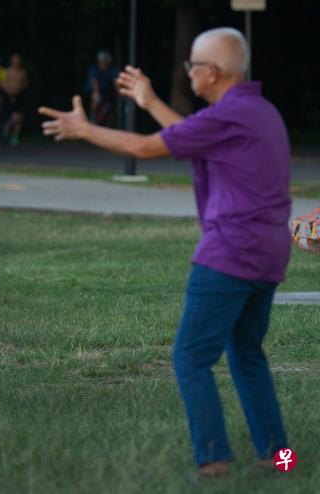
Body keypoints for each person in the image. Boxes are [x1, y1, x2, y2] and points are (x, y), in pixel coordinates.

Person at [39, 28, 290, 478]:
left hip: (230, 255)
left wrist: (83, 129)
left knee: (191, 357)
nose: (188, 71)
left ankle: (213, 462)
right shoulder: (259, 112)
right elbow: (188, 137)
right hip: (268, 257)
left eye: (191, 65)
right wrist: (150, 101)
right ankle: (282, 461)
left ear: (210, 72)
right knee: (248, 354)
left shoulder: (227, 116)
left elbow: (144, 147)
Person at [82, 51, 119, 127]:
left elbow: (116, 82)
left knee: (115, 101)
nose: (104, 63)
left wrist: (119, 92)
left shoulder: (112, 70)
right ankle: (92, 117)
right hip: (93, 91)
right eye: (102, 61)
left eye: (106, 61)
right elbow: (94, 82)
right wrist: (97, 93)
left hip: (106, 92)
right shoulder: (94, 69)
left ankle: (114, 123)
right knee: (96, 97)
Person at [0, 53, 29, 146]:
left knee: (20, 117)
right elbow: (2, 83)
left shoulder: (23, 72)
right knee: (15, 115)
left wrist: (20, 88)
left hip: (19, 95)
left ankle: (14, 136)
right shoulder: (7, 71)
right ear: (12, 61)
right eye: (15, 60)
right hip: (9, 96)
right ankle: (7, 127)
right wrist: (9, 91)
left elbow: (26, 82)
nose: (17, 61)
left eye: (18, 60)